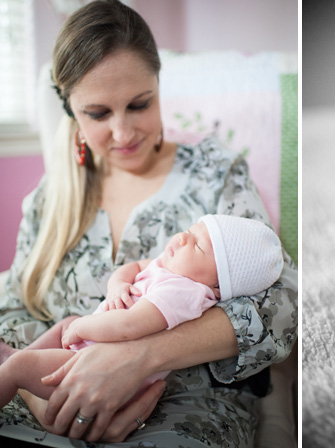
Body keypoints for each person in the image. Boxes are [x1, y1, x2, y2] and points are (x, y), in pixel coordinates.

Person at [0, 0, 297, 446]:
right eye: (98, 114)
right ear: (71, 112)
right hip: (45, 399)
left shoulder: (213, 172)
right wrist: (49, 400)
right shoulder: (50, 198)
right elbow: (12, 313)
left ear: (159, 86)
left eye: (140, 104)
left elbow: (284, 305)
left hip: (181, 408)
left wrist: (141, 358)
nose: (123, 133)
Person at [0, 214, 284, 412]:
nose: (183, 237)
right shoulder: (169, 266)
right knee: (66, 324)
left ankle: (15, 366)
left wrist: (83, 328)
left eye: (197, 245)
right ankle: (16, 356)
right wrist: (117, 287)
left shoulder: (185, 292)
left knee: (20, 368)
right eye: (192, 230)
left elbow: (129, 326)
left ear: (217, 286)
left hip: (98, 372)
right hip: (93, 348)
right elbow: (134, 268)